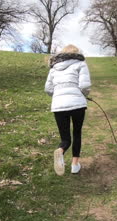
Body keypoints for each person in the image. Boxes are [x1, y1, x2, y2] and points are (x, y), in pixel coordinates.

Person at [45, 44, 91, 176]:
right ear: (76, 53)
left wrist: (58, 95)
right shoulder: (80, 63)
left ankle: (61, 150)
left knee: (65, 139)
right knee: (77, 133)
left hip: (58, 106)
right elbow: (85, 85)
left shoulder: (53, 68)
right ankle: (75, 165)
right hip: (77, 105)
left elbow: (48, 89)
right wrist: (85, 94)